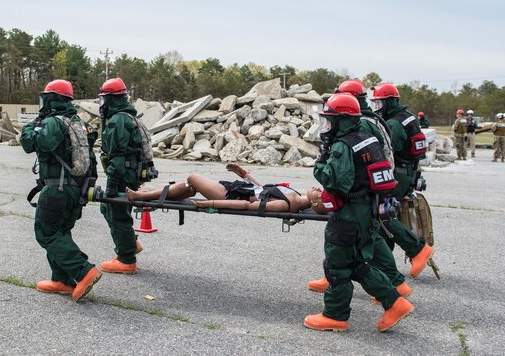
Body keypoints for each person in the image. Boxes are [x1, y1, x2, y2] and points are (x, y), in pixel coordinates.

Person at [304, 93, 413, 332]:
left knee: (336, 265)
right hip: (367, 212)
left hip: (350, 215)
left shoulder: (344, 145)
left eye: (330, 120)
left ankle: (334, 315)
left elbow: (334, 182)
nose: (327, 126)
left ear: (342, 119)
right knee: (356, 264)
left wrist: (321, 162)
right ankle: (395, 302)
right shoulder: (367, 138)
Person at [20, 79, 101, 302]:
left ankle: (83, 271)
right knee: (60, 231)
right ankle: (62, 280)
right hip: (76, 189)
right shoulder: (78, 122)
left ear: (51, 98)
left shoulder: (53, 122)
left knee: (46, 232)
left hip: (58, 189)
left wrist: (31, 126)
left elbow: (32, 144)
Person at [369, 83, 434, 274]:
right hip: (409, 172)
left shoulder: (394, 123)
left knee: (382, 214)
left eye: (379, 103)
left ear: (390, 102)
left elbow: (387, 152)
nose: (377, 108)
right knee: (386, 216)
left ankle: (417, 249)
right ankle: (384, 266)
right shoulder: (408, 117)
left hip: (397, 174)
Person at [126, 163, 312, 212]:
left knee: (192, 177)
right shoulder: (294, 195)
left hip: (230, 196)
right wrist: (244, 174)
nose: (317, 189)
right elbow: (264, 190)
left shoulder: (284, 206)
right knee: (189, 187)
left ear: (316, 202)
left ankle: (143, 196)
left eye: (320, 192)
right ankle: (145, 196)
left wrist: (212, 203)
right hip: (237, 188)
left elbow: (248, 206)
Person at [99, 77, 144, 274]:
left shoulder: (118, 120)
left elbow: (117, 158)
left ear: (111, 99)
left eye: (104, 99)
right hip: (131, 173)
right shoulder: (129, 116)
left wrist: (111, 183)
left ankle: (127, 260)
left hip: (122, 174)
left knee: (115, 212)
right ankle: (130, 244)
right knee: (109, 208)